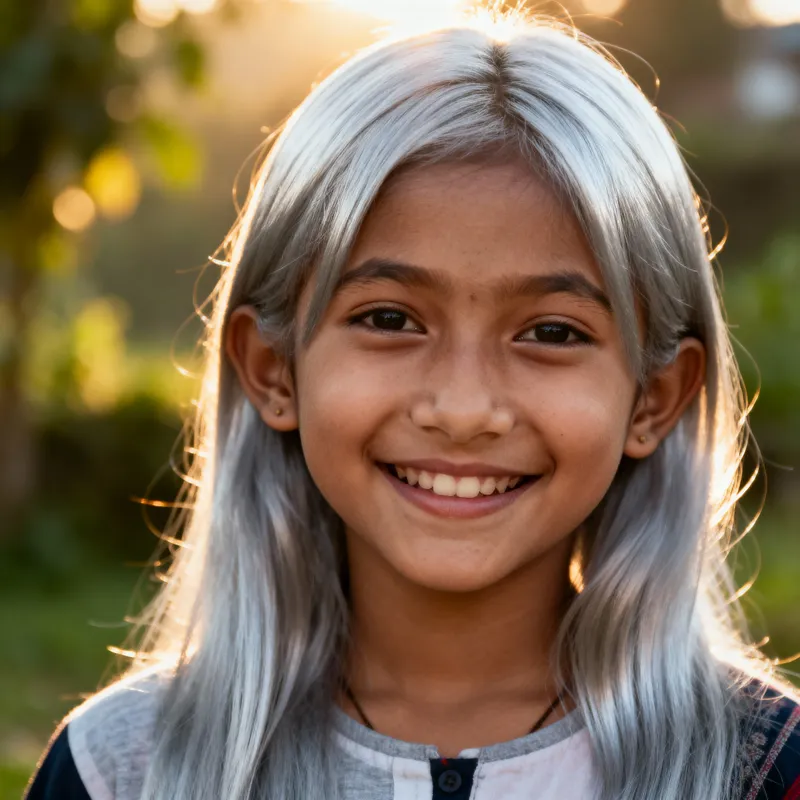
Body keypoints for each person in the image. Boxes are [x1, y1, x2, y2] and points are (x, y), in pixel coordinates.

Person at [25, 11, 800, 800]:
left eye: (552, 332)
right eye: (389, 319)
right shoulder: (120, 770)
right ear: (273, 370)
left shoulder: (764, 771)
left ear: (655, 397)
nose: (463, 410)